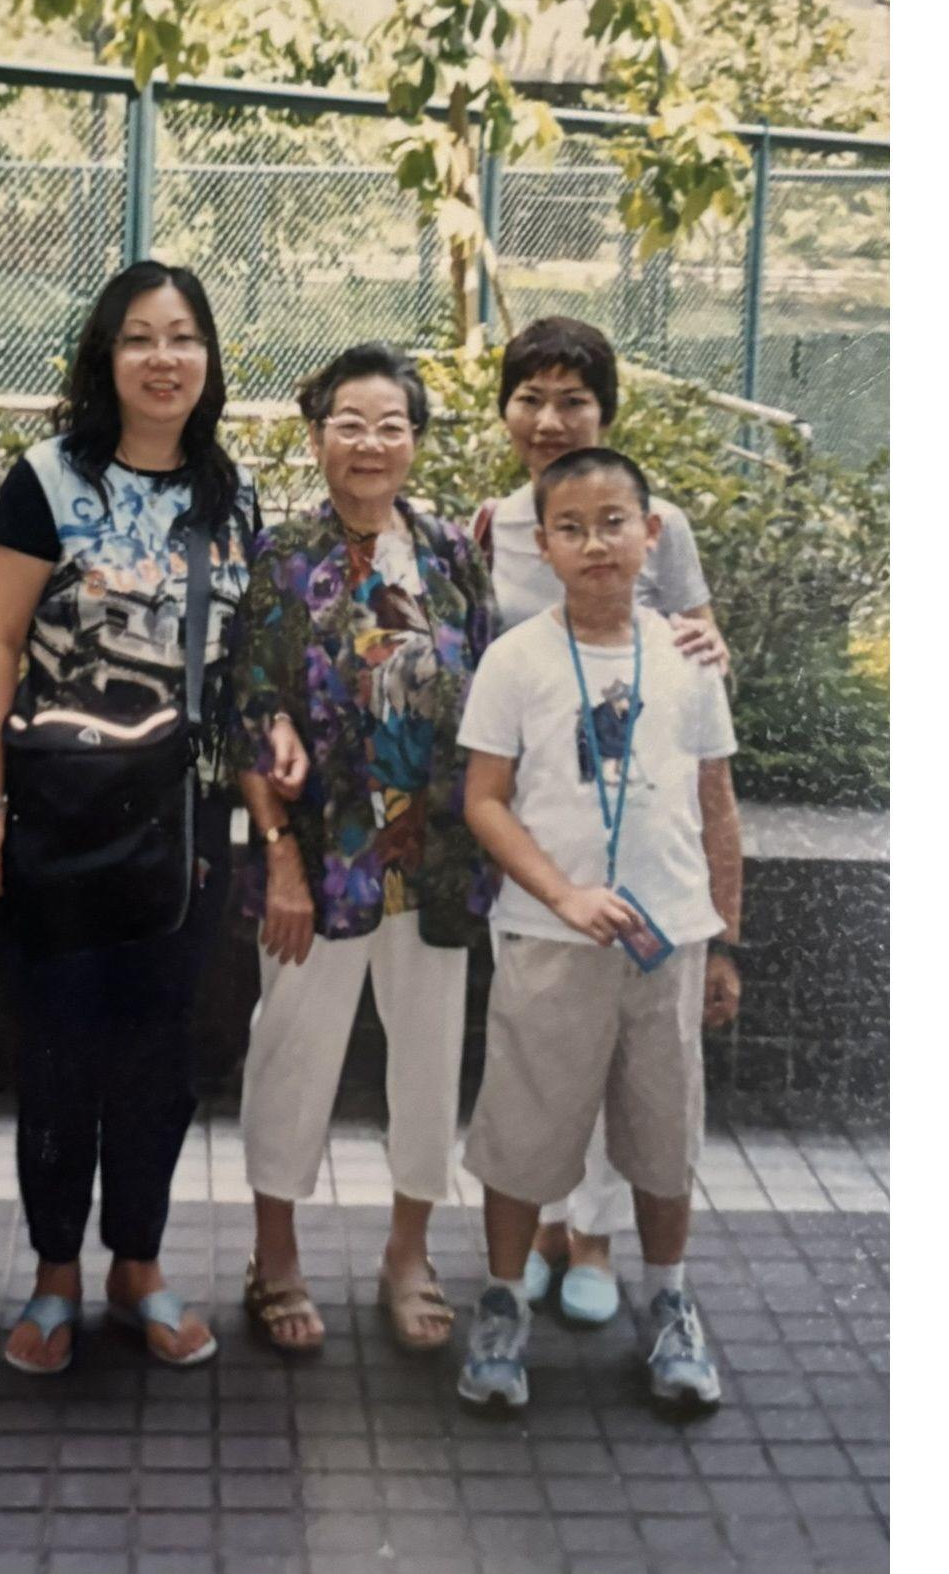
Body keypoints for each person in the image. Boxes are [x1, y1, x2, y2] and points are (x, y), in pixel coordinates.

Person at [0, 262, 255, 1373]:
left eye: (183, 338)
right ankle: (52, 1279)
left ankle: (140, 1265)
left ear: (209, 359)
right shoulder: (46, 480)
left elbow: (238, 662)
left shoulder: (232, 492)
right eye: (139, 338)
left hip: (182, 831)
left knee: (159, 1059)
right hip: (57, 817)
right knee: (58, 1053)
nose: (164, 359)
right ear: (105, 357)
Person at [454, 446, 744, 1414]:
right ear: (545, 547)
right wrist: (564, 894)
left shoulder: (690, 659)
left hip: (668, 945)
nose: (596, 544)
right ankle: (501, 1306)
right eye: (571, 528)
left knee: (664, 1138)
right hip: (549, 940)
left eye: (615, 522)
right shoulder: (518, 658)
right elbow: (485, 802)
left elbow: (716, 802)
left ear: (651, 534)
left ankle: (669, 1302)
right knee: (523, 1136)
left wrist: (726, 939)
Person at [230, 343, 496, 1355]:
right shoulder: (282, 557)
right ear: (316, 436)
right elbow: (249, 703)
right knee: (291, 1053)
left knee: (428, 1066)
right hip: (318, 861)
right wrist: (282, 853)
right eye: (350, 422)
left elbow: (494, 689)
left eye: (392, 424)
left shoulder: (448, 555)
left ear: (416, 441)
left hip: (430, 864)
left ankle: (408, 1253)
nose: (371, 442)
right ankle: (277, 1256)